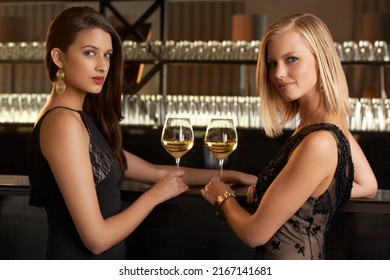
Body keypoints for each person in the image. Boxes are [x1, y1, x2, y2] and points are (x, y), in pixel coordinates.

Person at [28, 5, 257, 260]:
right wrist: (154, 196)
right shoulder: (62, 123)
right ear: (59, 57)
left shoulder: (80, 120)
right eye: (90, 53)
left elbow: (158, 172)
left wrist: (232, 175)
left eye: (107, 55)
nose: (102, 66)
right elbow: (96, 239)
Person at [200, 13, 378, 260]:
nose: (279, 74)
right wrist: (281, 192)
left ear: (321, 60)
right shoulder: (322, 126)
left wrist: (223, 196)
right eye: (272, 63)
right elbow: (368, 186)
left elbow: (255, 233)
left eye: (291, 59)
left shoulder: (320, 141)